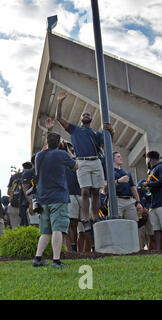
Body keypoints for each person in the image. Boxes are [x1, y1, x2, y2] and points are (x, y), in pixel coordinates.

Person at [56, 92, 115, 230]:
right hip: (82, 162)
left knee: (95, 191)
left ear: (91, 118)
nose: (86, 115)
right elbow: (59, 118)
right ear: (81, 119)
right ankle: (86, 218)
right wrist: (59, 102)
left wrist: (111, 132)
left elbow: (107, 145)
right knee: (85, 191)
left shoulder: (97, 133)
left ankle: (95, 217)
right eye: (84, 114)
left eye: (88, 114)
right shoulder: (75, 130)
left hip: (95, 161)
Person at [32, 133, 77, 268]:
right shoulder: (62, 154)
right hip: (58, 197)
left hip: (43, 198)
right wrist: (67, 150)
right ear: (59, 143)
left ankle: (38, 258)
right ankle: (56, 260)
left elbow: (44, 150)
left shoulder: (39, 156)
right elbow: (75, 165)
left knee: (45, 231)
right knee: (58, 229)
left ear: (46, 142)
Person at [104, 152, 141, 223]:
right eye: (118, 157)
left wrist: (138, 202)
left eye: (120, 156)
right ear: (112, 159)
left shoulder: (127, 172)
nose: (121, 158)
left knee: (133, 225)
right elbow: (105, 187)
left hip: (130, 201)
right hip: (116, 201)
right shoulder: (108, 171)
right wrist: (118, 181)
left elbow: (133, 187)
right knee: (116, 224)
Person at [143, 150, 162, 250]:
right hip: (154, 204)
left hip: (161, 203)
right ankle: (158, 251)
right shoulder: (152, 171)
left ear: (149, 159)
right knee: (156, 229)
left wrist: (148, 184)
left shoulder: (160, 167)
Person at [137, 179, 153, 250]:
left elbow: (149, 198)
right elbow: (138, 199)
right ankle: (141, 249)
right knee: (140, 232)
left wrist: (146, 207)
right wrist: (142, 207)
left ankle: (150, 249)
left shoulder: (149, 187)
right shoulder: (138, 188)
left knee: (150, 232)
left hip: (148, 212)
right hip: (139, 212)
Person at [22, 159, 39, 227]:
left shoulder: (43, 170)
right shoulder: (29, 173)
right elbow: (25, 190)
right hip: (34, 201)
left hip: (44, 201)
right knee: (35, 225)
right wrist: (31, 203)